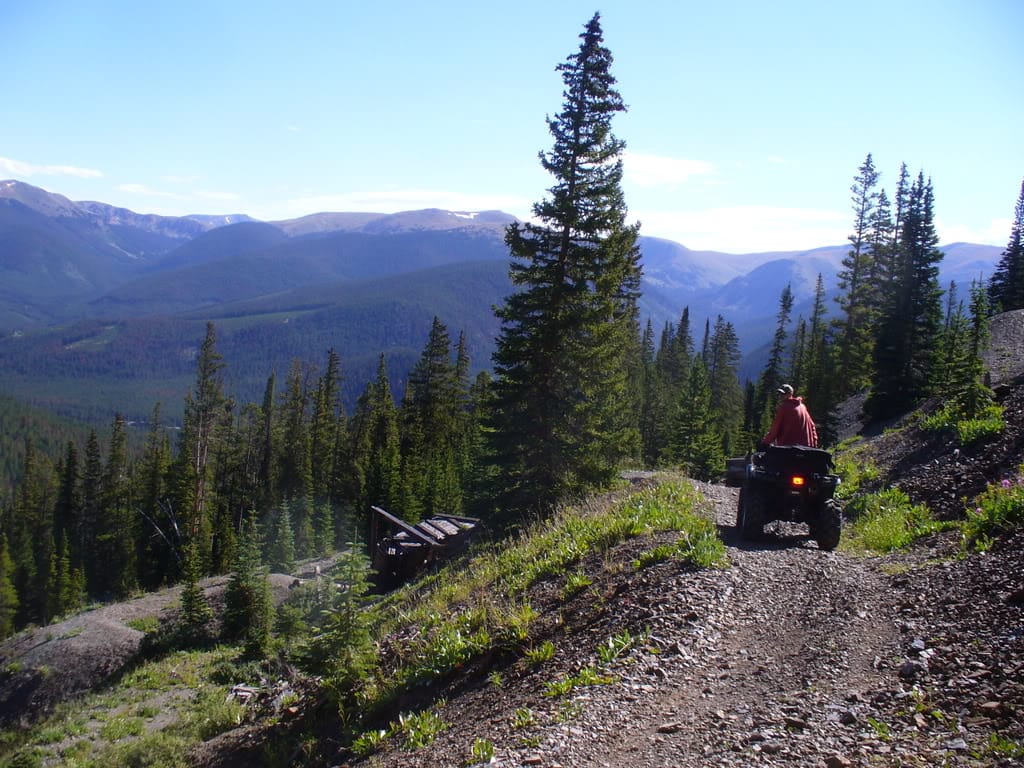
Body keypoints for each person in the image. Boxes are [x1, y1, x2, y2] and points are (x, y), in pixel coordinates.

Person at [762, 384, 818, 448]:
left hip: (789, 449)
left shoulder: (784, 407)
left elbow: (775, 429)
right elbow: (812, 426)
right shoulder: (802, 407)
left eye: (783, 394)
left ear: (790, 394)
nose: (780, 396)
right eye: (780, 394)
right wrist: (814, 445)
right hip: (806, 448)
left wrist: (765, 442)